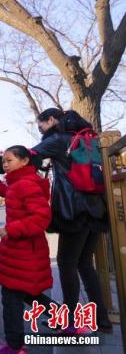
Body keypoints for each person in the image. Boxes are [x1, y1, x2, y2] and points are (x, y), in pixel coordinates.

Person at [32, 109, 112, 333]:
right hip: (96, 209)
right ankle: (101, 320)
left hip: (73, 211)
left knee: (67, 264)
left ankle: (69, 322)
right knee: (85, 264)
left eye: (42, 127)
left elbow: (27, 155)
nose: (41, 132)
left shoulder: (58, 139)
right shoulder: (90, 139)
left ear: (51, 120)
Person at [0, 146, 52, 354]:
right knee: (28, 295)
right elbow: (3, 191)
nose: (5, 164)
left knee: (12, 300)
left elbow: (41, 218)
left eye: (9, 160)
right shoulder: (19, 183)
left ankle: (14, 346)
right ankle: (69, 320)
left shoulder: (25, 184)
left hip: (23, 252)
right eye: (3, 162)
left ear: (25, 161)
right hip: (23, 252)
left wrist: (12, 229)